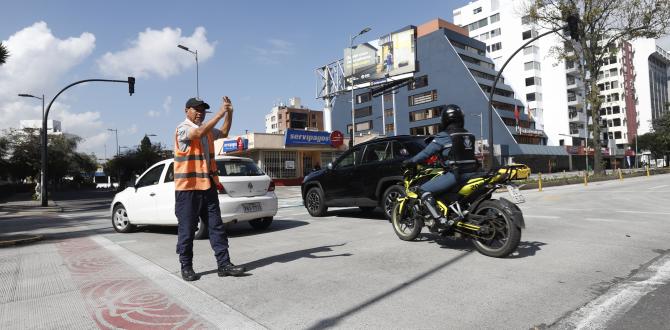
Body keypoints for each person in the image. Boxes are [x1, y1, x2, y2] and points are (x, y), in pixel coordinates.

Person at [174, 96, 245, 281]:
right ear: (186, 111)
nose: (200, 112)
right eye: (196, 109)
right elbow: (197, 133)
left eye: (203, 109)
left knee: (217, 227)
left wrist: (229, 113)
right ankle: (186, 266)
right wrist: (220, 113)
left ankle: (224, 264)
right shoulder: (182, 128)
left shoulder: (207, 130)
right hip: (188, 189)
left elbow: (223, 132)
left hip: (208, 186)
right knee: (187, 230)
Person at [402, 104, 479, 227]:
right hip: (473, 173)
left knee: (423, 190)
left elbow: (426, 153)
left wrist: (411, 161)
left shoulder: (444, 136)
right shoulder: (468, 135)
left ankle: (439, 220)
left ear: (445, 120)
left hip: (456, 174)